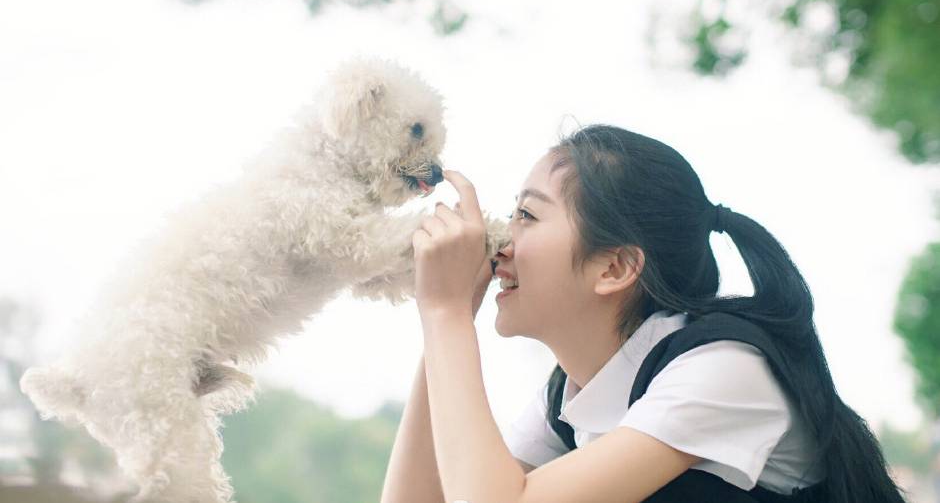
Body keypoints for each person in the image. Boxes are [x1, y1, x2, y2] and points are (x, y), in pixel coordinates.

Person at [380, 124, 907, 503]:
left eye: (527, 215)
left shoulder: (725, 370)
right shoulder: (572, 398)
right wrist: (446, 318)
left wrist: (445, 312)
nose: (500, 239)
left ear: (615, 268)